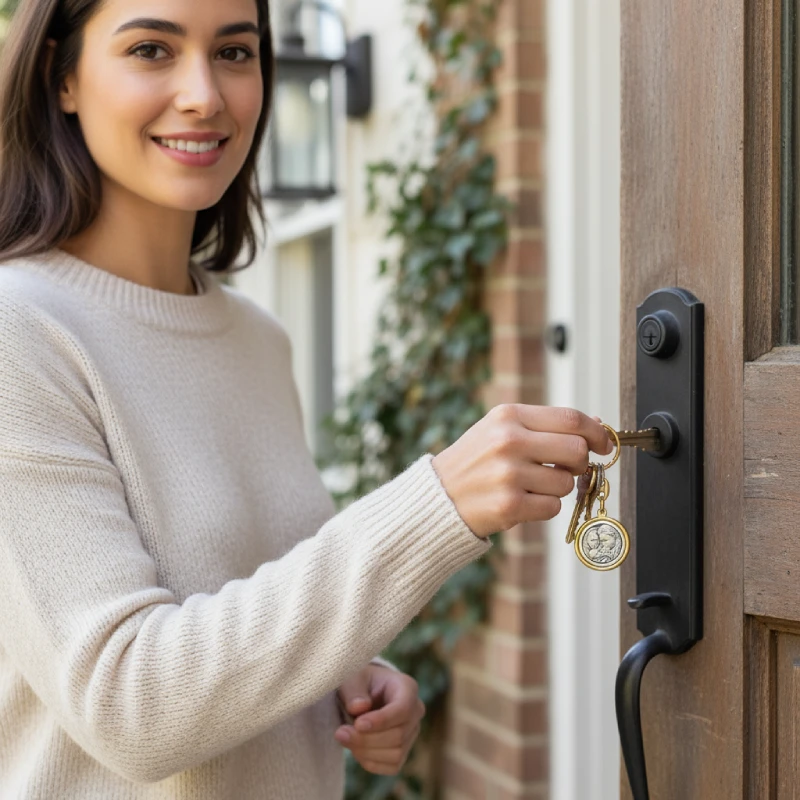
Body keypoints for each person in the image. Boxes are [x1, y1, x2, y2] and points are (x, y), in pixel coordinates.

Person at [0, 0, 613, 797]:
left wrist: (346, 679)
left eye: (234, 52)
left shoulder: (254, 336)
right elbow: (128, 704)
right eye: (152, 49)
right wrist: (438, 504)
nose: (204, 95)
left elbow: (241, 601)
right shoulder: (21, 333)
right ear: (62, 76)